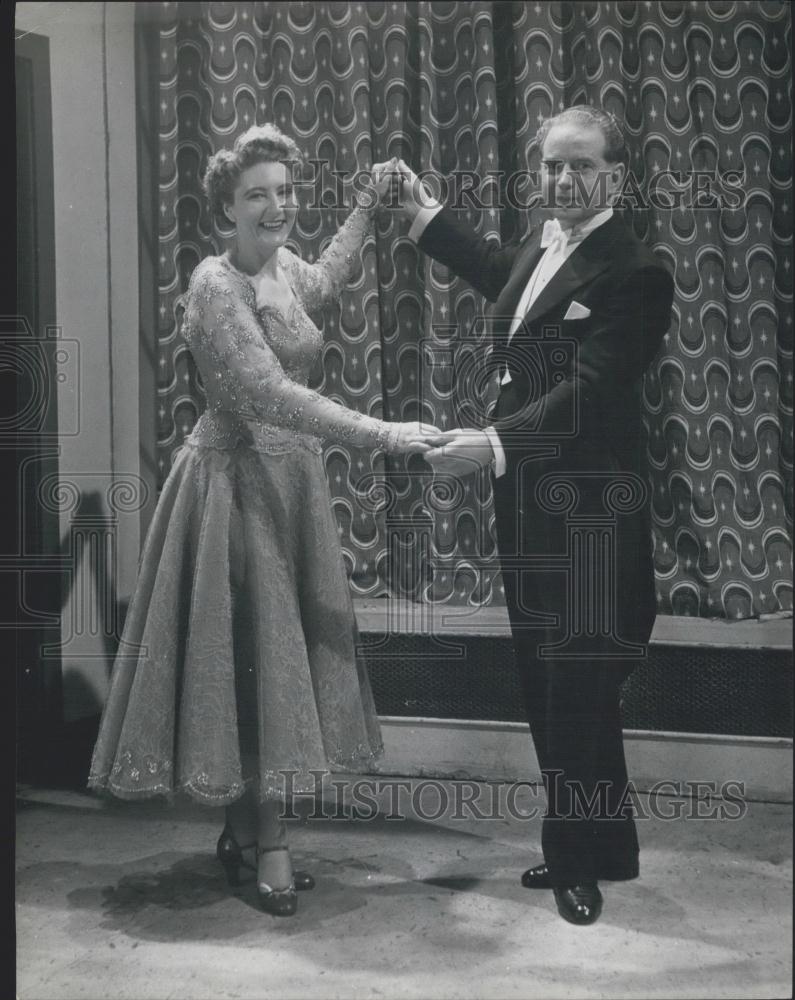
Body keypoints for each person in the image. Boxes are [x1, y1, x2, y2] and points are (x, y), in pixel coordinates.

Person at [89, 125, 441, 917]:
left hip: (289, 485)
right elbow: (272, 394)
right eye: (258, 194)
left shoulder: (279, 266)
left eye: (285, 191)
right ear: (226, 206)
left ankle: (246, 835)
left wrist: (364, 206)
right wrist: (384, 435)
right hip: (230, 489)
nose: (277, 206)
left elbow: (322, 281)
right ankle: (266, 841)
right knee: (246, 654)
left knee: (264, 659)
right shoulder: (216, 286)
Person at [387, 105, 675, 925]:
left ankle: (576, 860)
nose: (560, 179)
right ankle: (607, 846)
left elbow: (588, 393)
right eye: (550, 165)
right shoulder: (546, 247)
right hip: (530, 503)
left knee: (576, 685)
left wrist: (490, 443)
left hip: (590, 512)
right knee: (547, 676)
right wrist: (422, 214)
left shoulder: (636, 270)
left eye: (579, 166)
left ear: (614, 178)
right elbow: (491, 266)